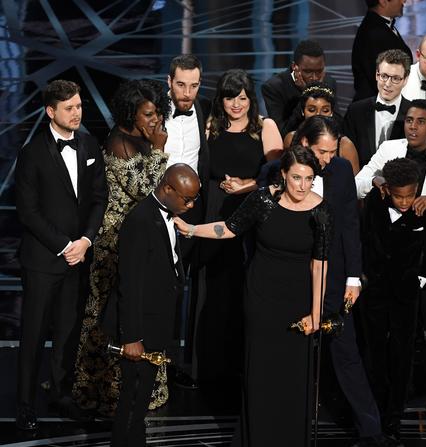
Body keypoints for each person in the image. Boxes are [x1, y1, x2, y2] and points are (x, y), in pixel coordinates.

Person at [175, 146, 332, 447]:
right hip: (261, 299)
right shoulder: (262, 201)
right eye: (296, 178)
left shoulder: (321, 211)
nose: (303, 186)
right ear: (283, 175)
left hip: (299, 303)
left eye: (309, 179)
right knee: (261, 377)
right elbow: (229, 228)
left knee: (295, 380)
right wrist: (190, 230)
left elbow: (320, 266)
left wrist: (316, 313)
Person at [257, 116, 401, 447]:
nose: (328, 159)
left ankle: (370, 429)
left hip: (335, 282)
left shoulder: (338, 173)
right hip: (290, 281)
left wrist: (354, 277)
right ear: (304, 144)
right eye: (323, 151)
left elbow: (350, 226)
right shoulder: (275, 172)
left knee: (346, 353)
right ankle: (278, 433)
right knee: (288, 359)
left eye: (333, 151)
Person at [354, 100, 426, 418]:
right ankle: (388, 401)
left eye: (420, 121)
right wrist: (377, 183)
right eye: (409, 121)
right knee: (389, 339)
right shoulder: (389, 149)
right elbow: (361, 182)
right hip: (386, 272)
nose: (412, 126)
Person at [73, 79, 171, 417]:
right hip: (115, 245)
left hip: (140, 241)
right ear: (131, 114)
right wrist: (159, 151)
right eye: (148, 114)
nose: (155, 121)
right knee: (112, 317)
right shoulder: (119, 143)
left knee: (142, 314)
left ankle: (145, 387)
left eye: (158, 113)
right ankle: (103, 390)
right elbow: (146, 191)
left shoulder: (141, 139)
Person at [14, 80, 108, 430]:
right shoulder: (32, 152)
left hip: (78, 257)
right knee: (35, 333)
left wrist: (85, 240)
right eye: (69, 108)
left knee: (68, 332)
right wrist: (65, 245)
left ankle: (62, 394)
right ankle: (25, 402)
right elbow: (29, 212)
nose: (77, 112)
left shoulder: (89, 143)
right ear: (50, 111)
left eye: (80, 106)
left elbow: (99, 196)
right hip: (44, 260)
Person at [109, 164, 200, 447]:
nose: (191, 206)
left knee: (143, 396)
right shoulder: (139, 220)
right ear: (168, 190)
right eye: (187, 200)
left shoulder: (165, 215)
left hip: (157, 322)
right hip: (141, 329)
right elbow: (129, 285)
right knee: (132, 398)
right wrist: (131, 337)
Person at [197, 68, 282, 385]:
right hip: (215, 212)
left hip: (252, 211)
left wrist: (245, 186)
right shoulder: (210, 127)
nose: (236, 105)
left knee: (246, 288)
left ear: (251, 99)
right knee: (214, 291)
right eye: (230, 98)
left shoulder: (265, 127)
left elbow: (275, 176)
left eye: (242, 98)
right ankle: (210, 367)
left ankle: (244, 367)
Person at [360, 157, 426, 440]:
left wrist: (418, 281)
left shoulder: (424, 212)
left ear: (417, 189)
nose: (404, 202)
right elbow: (362, 240)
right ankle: (373, 411)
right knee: (374, 352)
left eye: (409, 195)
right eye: (398, 196)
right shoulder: (374, 203)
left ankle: (394, 417)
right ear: (388, 190)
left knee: (402, 354)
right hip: (374, 293)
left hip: (407, 296)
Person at [163, 53, 209, 389]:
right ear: (169, 82)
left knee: (183, 290)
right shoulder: (153, 110)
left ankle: (177, 362)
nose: (187, 92)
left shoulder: (205, 110)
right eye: (181, 84)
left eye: (193, 85)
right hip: (155, 210)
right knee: (156, 287)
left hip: (192, 213)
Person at [344, 49, 412, 168]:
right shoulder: (355, 111)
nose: (387, 84)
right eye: (384, 76)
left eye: (395, 78)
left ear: (405, 80)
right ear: (376, 75)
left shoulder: (413, 113)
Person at [261, 39, 338, 136]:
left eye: (319, 71)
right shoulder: (274, 87)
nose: (314, 78)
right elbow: (282, 133)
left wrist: (320, 88)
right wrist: (306, 94)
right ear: (294, 67)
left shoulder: (329, 83)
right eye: (308, 71)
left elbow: (338, 124)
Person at [282, 82, 360, 174]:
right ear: (303, 111)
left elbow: (355, 184)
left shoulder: (345, 145)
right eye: (312, 110)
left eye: (325, 110)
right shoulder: (290, 139)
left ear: (331, 112)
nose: (318, 115)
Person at [351, 0, 413, 101]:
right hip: (375, 111)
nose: (404, 1)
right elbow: (382, 81)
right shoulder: (373, 33)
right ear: (383, 1)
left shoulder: (378, 27)